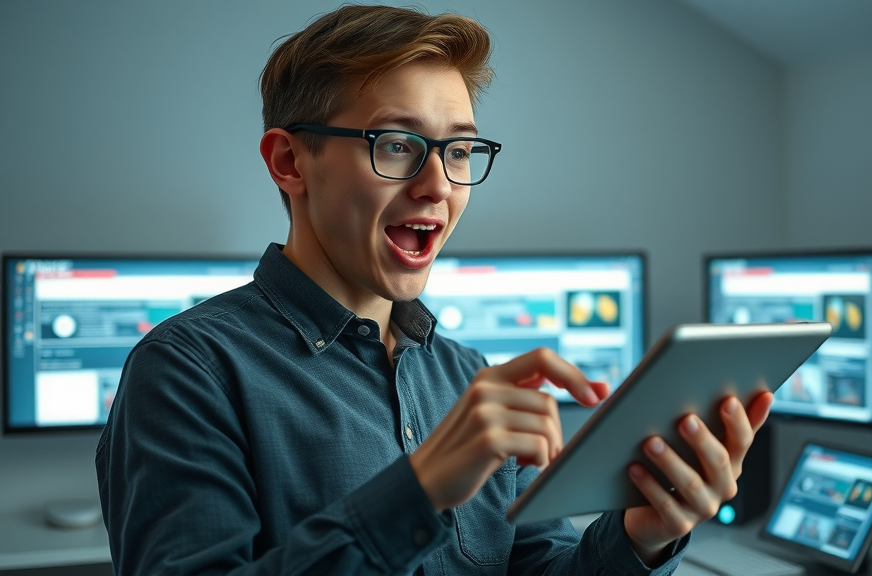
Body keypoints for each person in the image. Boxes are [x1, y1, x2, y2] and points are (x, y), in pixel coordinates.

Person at [96, 5, 773, 575]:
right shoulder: (187, 370)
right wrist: (418, 492)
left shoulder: (468, 377)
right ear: (289, 160)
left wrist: (641, 535)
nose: (439, 186)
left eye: (458, 151)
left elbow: (541, 564)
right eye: (396, 145)